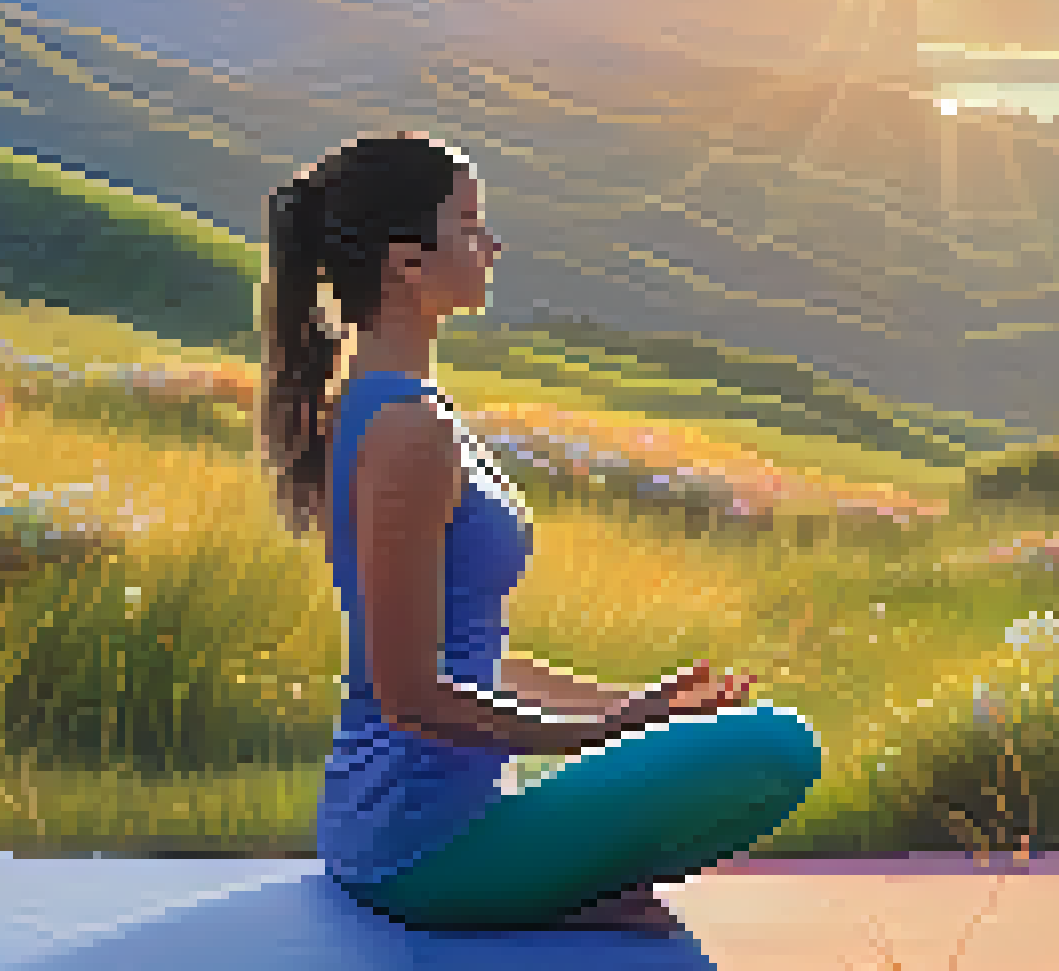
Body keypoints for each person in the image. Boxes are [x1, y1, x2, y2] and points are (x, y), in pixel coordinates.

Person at [256, 132, 824, 933]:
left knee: (743, 740)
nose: (492, 245)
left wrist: (637, 706)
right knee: (777, 751)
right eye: (470, 225)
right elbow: (409, 693)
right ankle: (547, 889)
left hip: (403, 828)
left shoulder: (391, 407)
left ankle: (557, 879)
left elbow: (468, 654)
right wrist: (595, 733)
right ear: (407, 263)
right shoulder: (407, 431)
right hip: (419, 848)